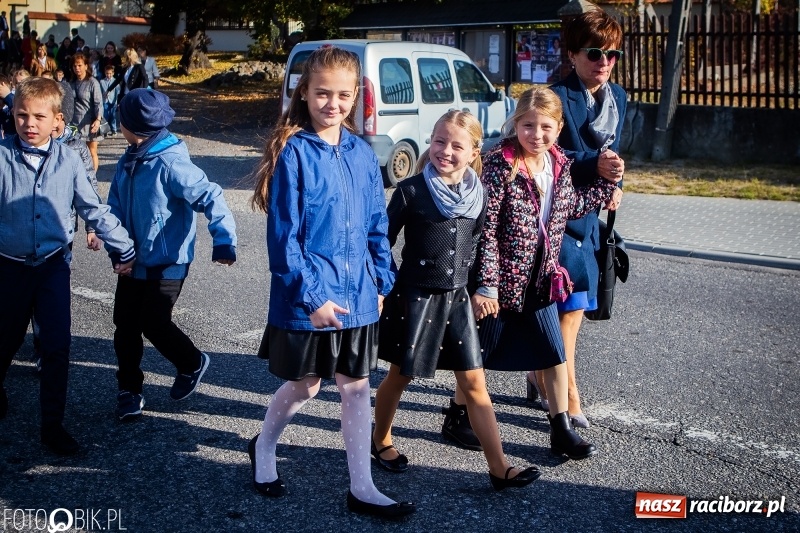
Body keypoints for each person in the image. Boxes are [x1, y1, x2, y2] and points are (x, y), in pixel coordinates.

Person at [249, 46, 414, 518]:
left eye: (344, 94)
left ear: (357, 95)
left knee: (356, 386)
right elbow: (283, 239)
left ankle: (361, 487)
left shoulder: (363, 153)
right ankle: (263, 448)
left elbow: (377, 226)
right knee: (306, 386)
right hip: (310, 297)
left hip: (360, 295)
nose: (333, 103)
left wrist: (382, 282)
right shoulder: (293, 153)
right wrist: (312, 297)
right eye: (323, 93)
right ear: (305, 92)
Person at [372, 109, 540, 491]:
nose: (445, 151)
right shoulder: (411, 190)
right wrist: (383, 286)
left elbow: (483, 246)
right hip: (414, 298)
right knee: (400, 376)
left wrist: (486, 287)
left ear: (474, 150)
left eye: (456, 145)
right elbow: (380, 240)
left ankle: (499, 468)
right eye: (438, 141)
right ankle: (380, 439)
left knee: (476, 384)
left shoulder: (479, 194)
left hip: (458, 301)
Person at [467, 86, 620, 461]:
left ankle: (560, 430)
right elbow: (485, 230)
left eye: (546, 126)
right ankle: (458, 415)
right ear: (516, 124)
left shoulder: (560, 164)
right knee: (476, 357)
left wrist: (607, 189)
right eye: (529, 125)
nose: (537, 134)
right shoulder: (500, 165)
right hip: (501, 282)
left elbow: (570, 206)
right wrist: (486, 286)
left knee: (553, 353)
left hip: (542, 279)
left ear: (559, 127)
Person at [0, 76, 135, 455]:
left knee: (57, 345)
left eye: (38, 117)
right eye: (21, 115)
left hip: (52, 267)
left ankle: (52, 425)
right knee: (4, 341)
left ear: (57, 120)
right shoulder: (1, 156)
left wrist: (123, 248)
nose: (29, 124)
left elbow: (93, 208)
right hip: (8, 267)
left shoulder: (69, 159)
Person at [105, 88, 237, 422]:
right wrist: (115, 248)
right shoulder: (127, 159)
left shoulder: (170, 162)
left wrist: (224, 241)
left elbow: (212, 196)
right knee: (125, 326)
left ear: (129, 124)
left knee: (153, 321)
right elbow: (114, 208)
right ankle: (129, 390)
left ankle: (192, 362)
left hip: (169, 262)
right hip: (133, 260)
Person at [530, 8, 627, 429]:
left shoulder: (618, 97)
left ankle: (541, 375)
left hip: (593, 218)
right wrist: (594, 164)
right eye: (594, 53)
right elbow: (543, 152)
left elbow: (619, 154)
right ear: (572, 55)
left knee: (574, 309)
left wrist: (619, 182)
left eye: (611, 54)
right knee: (568, 309)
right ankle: (568, 399)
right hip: (558, 217)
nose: (603, 62)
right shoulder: (556, 95)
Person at [70, 52, 103, 170]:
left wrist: (98, 120)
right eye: (74, 66)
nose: (77, 68)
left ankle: (92, 179)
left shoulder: (93, 82)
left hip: (90, 123)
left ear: (85, 66)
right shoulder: (71, 83)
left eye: (79, 65)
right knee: (76, 153)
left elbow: (99, 103)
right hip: (75, 123)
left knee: (91, 152)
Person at [99, 64, 119, 135]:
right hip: (105, 101)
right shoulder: (101, 81)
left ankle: (114, 129)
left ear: (113, 73)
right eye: (107, 73)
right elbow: (100, 92)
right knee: (105, 116)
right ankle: (105, 130)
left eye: (110, 73)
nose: (109, 75)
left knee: (113, 116)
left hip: (113, 100)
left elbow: (117, 92)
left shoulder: (115, 81)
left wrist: (117, 101)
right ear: (105, 73)